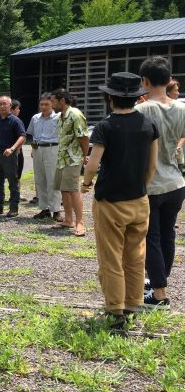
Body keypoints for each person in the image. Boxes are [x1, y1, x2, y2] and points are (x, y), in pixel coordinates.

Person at [82, 72, 158, 334]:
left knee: (111, 257)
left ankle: (116, 313)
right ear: (137, 97)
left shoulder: (105, 126)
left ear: (109, 97)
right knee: (136, 256)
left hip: (110, 201)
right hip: (139, 199)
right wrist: (141, 187)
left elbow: (93, 163)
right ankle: (133, 305)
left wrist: (86, 183)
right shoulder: (149, 124)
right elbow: (152, 165)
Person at [136, 57, 185, 310]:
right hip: (176, 182)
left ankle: (159, 294)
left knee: (151, 237)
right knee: (168, 235)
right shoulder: (182, 108)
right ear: (169, 80)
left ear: (144, 81)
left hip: (151, 183)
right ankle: (159, 281)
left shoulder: (141, 110)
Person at [51, 88, 89, 236]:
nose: (52, 104)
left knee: (73, 190)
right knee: (64, 189)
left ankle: (80, 223)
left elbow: (83, 137)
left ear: (62, 101)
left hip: (73, 158)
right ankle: (68, 220)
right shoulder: (61, 116)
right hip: (62, 158)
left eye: (54, 101)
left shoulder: (75, 115)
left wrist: (85, 155)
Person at [27, 93, 62, 220]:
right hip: (38, 149)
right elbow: (32, 134)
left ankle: (56, 210)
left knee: (53, 180)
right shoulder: (35, 118)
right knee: (40, 179)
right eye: (41, 104)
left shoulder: (58, 118)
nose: (44, 107)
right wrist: (33, 149)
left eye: (47, 104)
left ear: (52, 104)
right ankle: (44, 208)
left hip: (53, 148)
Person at [0, 96, 26, 217]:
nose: (2, 106)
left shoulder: (15, 121)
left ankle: (13, 208)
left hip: (9, 156)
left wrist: (12, 148)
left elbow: (22, 136)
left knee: (13, 182)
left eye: (4, 104)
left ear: (10, 106)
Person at [11, 99, 26, 181]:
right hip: (16, 151)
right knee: (16, 174)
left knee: (16, 174)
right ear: (12, 109)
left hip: (16, 150)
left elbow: (22, 136)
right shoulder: (17, 121)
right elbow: (22, 136)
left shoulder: (18, 121)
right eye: (17, 108)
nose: (19, 110)